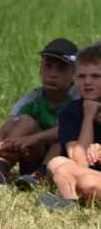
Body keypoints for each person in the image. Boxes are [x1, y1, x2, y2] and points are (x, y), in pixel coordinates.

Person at [0, 38, 79, 190]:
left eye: (61, 69)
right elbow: (6, 128)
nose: (53, 74)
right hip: (32, 156)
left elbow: (68, 129)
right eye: (48, 66)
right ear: (40, 69)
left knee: (63, 138)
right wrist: (1, 145)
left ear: (75, 74)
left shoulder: (78, 97)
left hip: (62, 162)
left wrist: (32, 138)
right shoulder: (33, 97)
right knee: (25, 121)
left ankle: (40, 175)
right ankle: (0, 167)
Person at [41, 42, 101, 209]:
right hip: (86, 172)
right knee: (56, 163)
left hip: (89, 179)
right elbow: (80, 162)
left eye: (96, 76)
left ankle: (72, 199)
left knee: (86, 182)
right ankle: (71, 203)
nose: (87, 82)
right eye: (81, 76)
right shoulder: (70, 112)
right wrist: (88, 116)